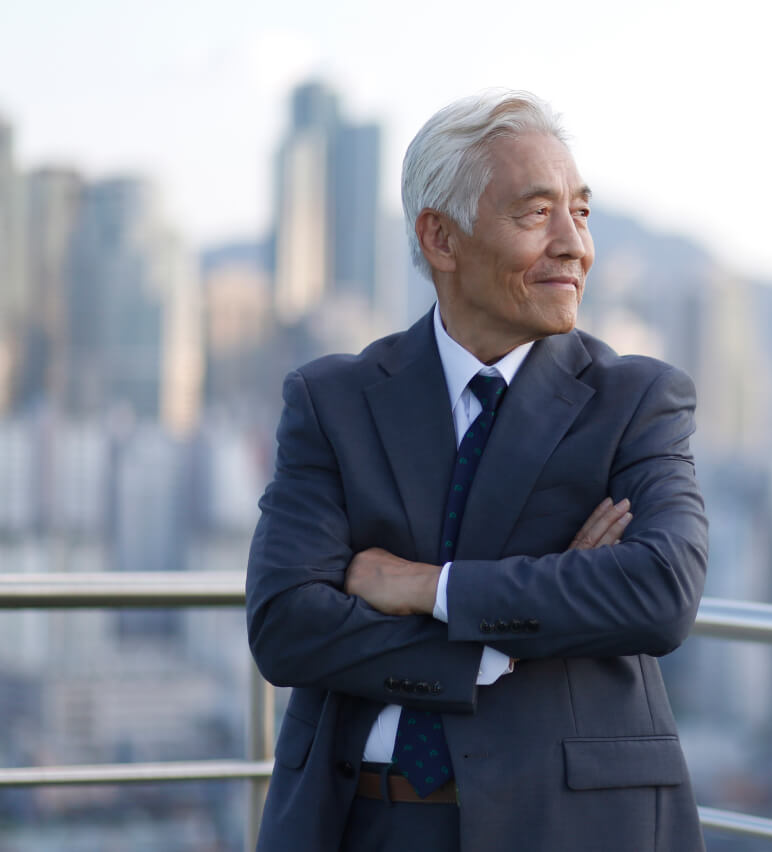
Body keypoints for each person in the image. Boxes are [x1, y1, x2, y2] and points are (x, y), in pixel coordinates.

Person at [244, 89, 708, 852]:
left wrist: (427, 588)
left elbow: (660, 592)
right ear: (441, 238)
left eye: (581, 212)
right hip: (358, 821)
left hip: (570, 826)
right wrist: (517, 631)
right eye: (537, 214)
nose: (575, 246)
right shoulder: (333, 400)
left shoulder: (636, 400)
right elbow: (287, 625)